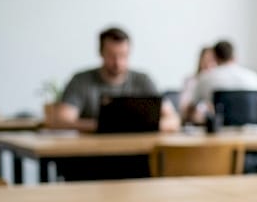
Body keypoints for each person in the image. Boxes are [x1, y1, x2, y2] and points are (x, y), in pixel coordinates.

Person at [51, 26, 179, 132]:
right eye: (112, 56)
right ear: (101, 53)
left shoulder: (143, 80)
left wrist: (135, 126)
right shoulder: (81, 81)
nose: (118, 62)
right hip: (92, 151)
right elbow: (62, 120)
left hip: (137, 151)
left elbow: (173, 120)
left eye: (123, 55)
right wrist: (104, 126)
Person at [188, 39, 257, 123]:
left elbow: (190, 109)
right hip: (253, 129)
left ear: (215, 57)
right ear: (234, 56)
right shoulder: (254, 78)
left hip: (221, 129)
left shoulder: (205, 78)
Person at [178, 46, 217, 120]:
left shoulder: (218, 83)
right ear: (200, 61)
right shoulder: (191, 81)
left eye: (211, 61)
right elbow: (184, 108)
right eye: (205, 60)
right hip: (193, 120)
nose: (208, 64)